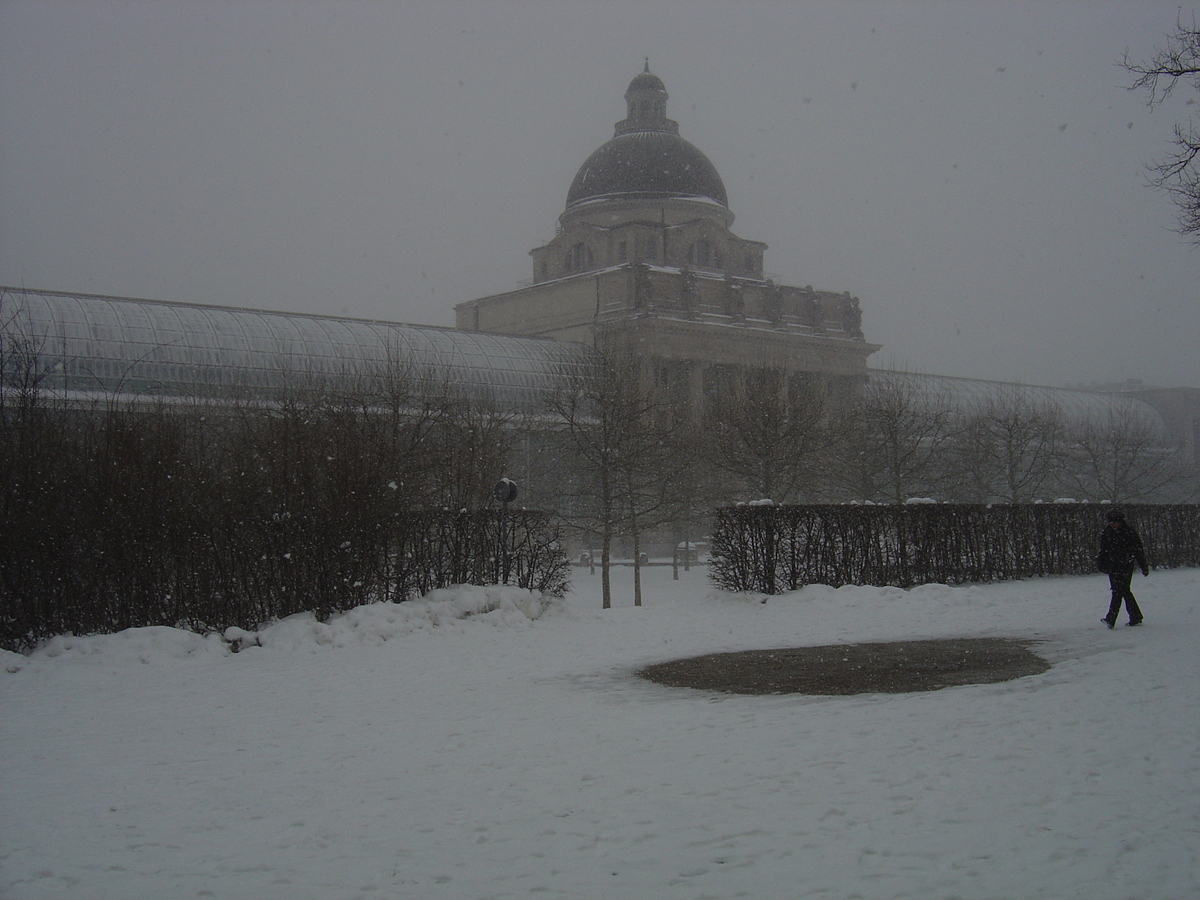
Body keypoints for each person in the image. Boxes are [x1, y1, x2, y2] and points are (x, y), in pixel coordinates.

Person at [1095, 509, 1149, 628]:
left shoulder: (1128, 533)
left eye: (1114, 522)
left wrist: (1143, 565)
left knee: (1118, 591)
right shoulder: (1107, 533)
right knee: (1123, 591)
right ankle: (1135, 616)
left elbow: (1138, 550)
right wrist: (1101, 563)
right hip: (1113, 566)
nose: (1112, 524)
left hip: (1125, 565)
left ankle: (1111, 618)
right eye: (1110, 522)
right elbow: (1103, 550)